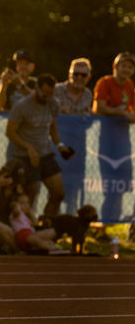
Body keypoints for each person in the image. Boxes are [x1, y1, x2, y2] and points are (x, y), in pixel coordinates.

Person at [6, 73, 71, 218]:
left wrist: (60, 145)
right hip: (25, 156)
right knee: (29, 196)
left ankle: (47, 223)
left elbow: (52, 128)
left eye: (50, 94)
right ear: (36, 89)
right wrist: (29, 148)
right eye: (44, 93)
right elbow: (10, 132)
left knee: (58, 193)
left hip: (45, 154)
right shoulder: (22, 106)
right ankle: (25, 228)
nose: (47, 97)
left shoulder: (52, 103)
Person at [92, 52, 135, 231]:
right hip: (107, 142)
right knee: (109, 185)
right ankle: (105, 225)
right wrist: (121, 113)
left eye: (130, 67)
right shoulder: (105, 82)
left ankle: (115, 223)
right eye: (123, 66)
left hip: (124, 142)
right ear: (115, 67)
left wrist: (127, 114)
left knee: (123, 184)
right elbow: (99, 108)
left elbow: (131, 112)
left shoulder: (130, 86)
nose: (126, 69)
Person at [54, 58, 93, 213]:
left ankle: (71, 216)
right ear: (69, 74)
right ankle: (54, 219)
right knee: (57, 182)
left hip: (78, 145)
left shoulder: (88, 95)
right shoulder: (57, 90)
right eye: (75, 74)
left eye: (83, 75)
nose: (79, 78)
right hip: (59, 143)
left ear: (88, 77)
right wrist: (59, 111)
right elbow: (46, 113)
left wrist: (89, 118)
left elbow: (89, 122)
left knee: (75, 182)